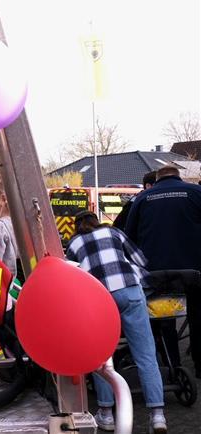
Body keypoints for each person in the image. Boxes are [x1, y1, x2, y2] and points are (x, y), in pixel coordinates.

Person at [65, 210, 167, 434]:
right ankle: (158, 416)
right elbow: (140, 260)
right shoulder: (114, 233)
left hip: (99, 299)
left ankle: (106, 414)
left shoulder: (74, 244)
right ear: (96, 221)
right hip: (129, 291)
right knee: (146, 355)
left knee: (102, 356)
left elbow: (72, 276)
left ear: (77, 227)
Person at [125, 165, 201, 378]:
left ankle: (173, 366)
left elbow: (128, 236)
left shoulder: (143, 198)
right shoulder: (196, 192)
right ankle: (199, 365)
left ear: (157, 180)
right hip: (195, 269)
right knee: (197, 315)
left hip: (156, 272)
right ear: (178, 176)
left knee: (164, 317)